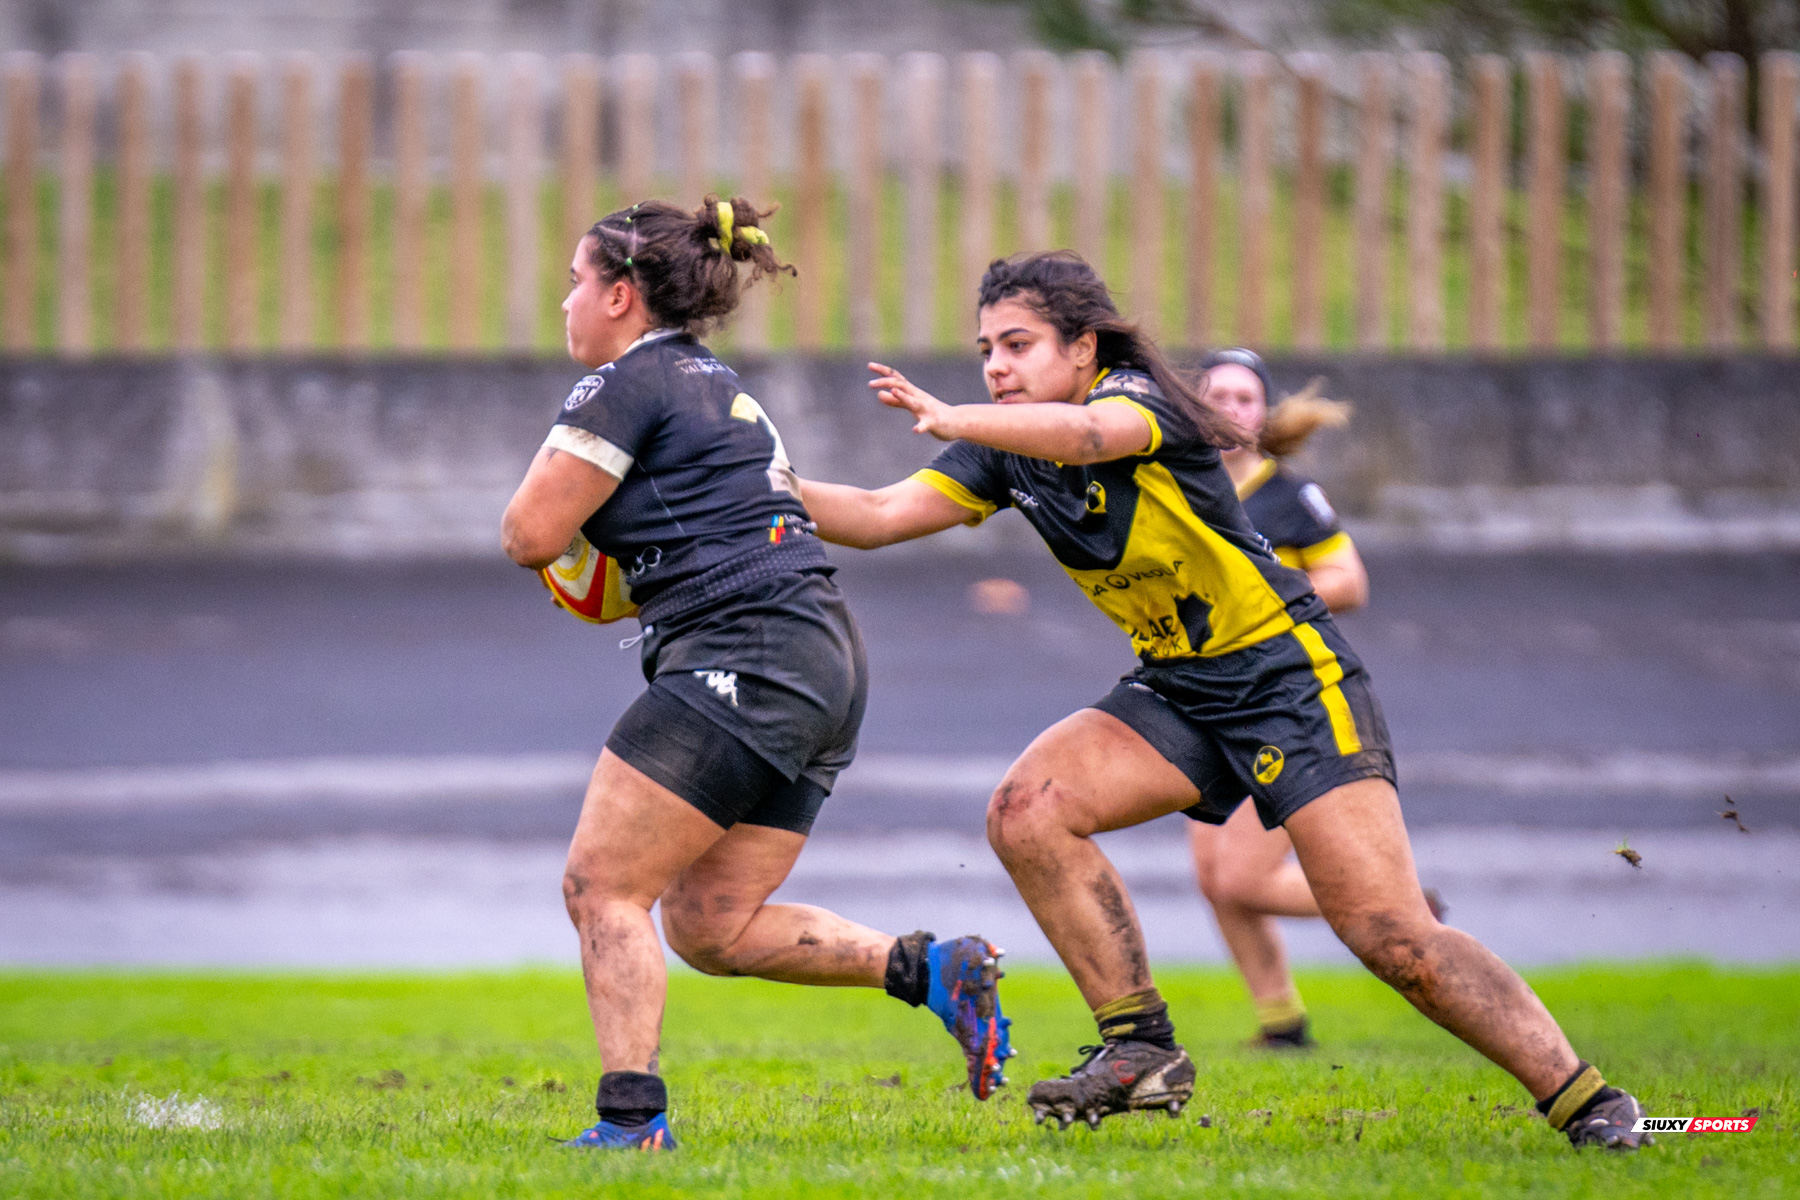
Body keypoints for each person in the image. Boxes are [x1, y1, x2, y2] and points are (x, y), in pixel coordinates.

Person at [796, 250, 1651, 1149]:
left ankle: (1592, 1102)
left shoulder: (1137, 400)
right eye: (985, 351)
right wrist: (753, 481)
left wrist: (951, 414)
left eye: (1018, 345)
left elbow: (1087, 438)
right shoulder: (1006, 451)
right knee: (1027, 810)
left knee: (1393, 938)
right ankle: (1140, 1049)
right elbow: (874, 517)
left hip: (1287, 680)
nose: (996, 367)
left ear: (1084, 348)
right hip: (1180, 688)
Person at [501, 196, 1013, 1153]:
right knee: (711, 924)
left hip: (745, 650)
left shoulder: (625, 380)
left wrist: (580, 553)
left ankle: (630, 1124)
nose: (565, 301)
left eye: (575, 282)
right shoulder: (721, 387)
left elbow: (528, 533)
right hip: (823, 654)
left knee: (601, 885)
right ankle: (932, 971)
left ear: (620, 295)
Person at [1186, 348, 1436, 1051]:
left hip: (1279, 702)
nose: (1230, 408)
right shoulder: (1177, 487)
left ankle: (1406, 911)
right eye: (1216, 395)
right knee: (1213, 878)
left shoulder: (1289, 498)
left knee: (1241, 879)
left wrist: (1256, 604)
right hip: (1202, 700)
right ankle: (1282, 1026)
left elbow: (1349, 582)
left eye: (1244, 398)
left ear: (1263, 415)